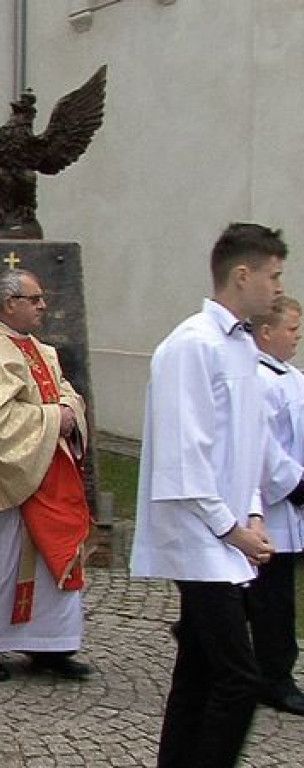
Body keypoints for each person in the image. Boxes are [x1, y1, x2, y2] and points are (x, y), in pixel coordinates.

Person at [131, 222, 284, 768]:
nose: (279, 289)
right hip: (200, 539)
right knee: (240, 679)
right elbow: (183, 454)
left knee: (198, 672)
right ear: (242, 275)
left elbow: (248, 442)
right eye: (273, 275)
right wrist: (230, 527)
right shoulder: (191, 346)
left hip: (226, 535)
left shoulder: (241, 345)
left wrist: (255, 512)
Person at [0, 268, 93, 682]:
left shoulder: (37, 348)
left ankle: (50, 644)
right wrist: (56, 417)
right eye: (34, 299)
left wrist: (67, 411)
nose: (43, 306)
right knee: (1, 564)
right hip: (8, 479)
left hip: (49, 473)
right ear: (10, 303)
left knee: (56, 560)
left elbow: (64, 390)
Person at [248, 295, 304, 716]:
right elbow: (263, 447)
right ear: (266, 333)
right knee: (271, 597)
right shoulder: (259, 379)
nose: (297, 338)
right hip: (274, 503)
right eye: (292, 330)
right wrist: (295, 483)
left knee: (274, 594)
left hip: (294, 502)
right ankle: (275, 676)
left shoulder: (293, 377)